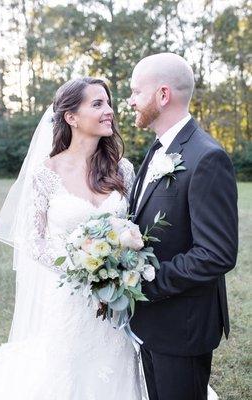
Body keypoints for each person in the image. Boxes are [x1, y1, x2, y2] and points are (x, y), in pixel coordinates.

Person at [0, 77, 145, 399]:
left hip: (119, 296)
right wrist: (84, 271)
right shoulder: (45, 173)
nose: (109, 111)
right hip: (70, 296)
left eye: (108, 103)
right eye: (97, 104)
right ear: (71, 117)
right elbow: (34, 241)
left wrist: (117, 269)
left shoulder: (123, 169)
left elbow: (133, 226)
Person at [128, 53, 238, 400]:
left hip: (182, 326)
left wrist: (147, 281)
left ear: (162, 95)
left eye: (135, 91)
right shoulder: (158, 149)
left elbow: (216, 254)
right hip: (150, 322)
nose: (130, 100)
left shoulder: (207, 157)